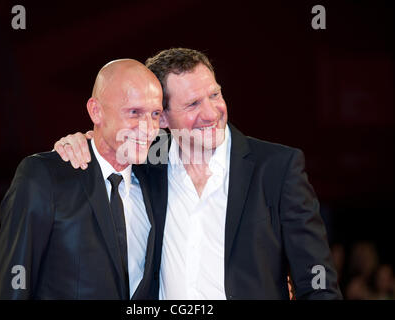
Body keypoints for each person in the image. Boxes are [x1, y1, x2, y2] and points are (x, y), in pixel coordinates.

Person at [53, 48, 342, 299]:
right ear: (163, 117)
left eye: (214, 94)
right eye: (192, 104)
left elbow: (317, 282)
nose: (211, 113)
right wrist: (79, 142)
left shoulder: (277, 167)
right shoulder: (147, 165)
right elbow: (107, 143)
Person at [0, 59, 163, 299]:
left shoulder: (157, 181)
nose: (148, 128)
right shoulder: (43, 176)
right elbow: (13, 287)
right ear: (96, 111)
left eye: (155, 114)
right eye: (134, 112)